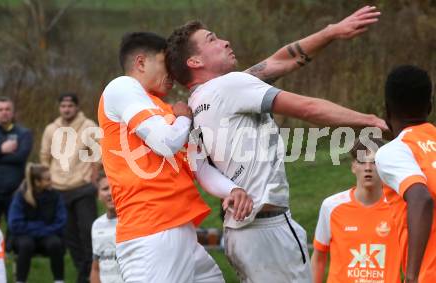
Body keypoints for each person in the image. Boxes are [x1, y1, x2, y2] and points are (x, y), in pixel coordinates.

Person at [165, 6, 388, 282]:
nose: (224, 41)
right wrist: (369, 120)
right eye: (212, 39)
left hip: (241, 234)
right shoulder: (231, 86)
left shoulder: (198, 103)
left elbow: (279, 61)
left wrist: (331, 32)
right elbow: (306, 108)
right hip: (268, 231)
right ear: (195, 62)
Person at [98, 32, 251, 283]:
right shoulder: (122, 87)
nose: (172, 71)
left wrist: (231, 189)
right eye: (164, 62)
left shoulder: (165, 111)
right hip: (151, 233)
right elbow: (165, 142)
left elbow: (198, 167)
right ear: (140, 63)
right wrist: (183, 118)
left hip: (180, 231)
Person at [375, 65, 435, 283]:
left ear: (387, 111)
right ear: (429, 106)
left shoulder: (394, 151)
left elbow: (422, 198)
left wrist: (411, 277)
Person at [311, 138, 401, 283]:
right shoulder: (331, 206)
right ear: (353, 166)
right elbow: (319, 257)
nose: (368, 168)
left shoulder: (399, 208)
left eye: (374, 162)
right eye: (361, 162)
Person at [40, 92, 99, 283]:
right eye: (63, 106)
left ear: (77, 107)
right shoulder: (51, 129)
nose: (66, 109)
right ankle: (83, 275)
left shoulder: (89, 126)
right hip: (58, 188)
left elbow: (99, 152)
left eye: (70, 106)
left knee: (88, 233)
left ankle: (93, 274)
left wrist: (93, 175)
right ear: (59, 108)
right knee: (70, 237)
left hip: (82, 187)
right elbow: (44, 156)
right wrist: (47, 180)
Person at [8, 163, 66, 283]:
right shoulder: (20, 196)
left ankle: (59, 280)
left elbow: (61, 221)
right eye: (47, 179)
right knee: (26, 244)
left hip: (48, 234)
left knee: (55, 243)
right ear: (37, 182)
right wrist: (41, 228)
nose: (51, 181)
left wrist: (42, 230)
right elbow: (14, 224)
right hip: (24, 235)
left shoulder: (55, 196)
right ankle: (20, 280)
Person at [0, 96, 33, 225]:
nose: (4, 112)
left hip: (15, 192)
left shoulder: (24, 133)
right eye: (0, 109)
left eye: (7, 109)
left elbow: (21, 157)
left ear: (13, 112)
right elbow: (13, 156)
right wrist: (1, 149)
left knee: (15, 229)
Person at [90, 171, 123, 283]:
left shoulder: (133, 221)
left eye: (113, 187)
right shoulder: (96, 225)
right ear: (98, 195)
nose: (110, 193)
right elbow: (95, 268)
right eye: (105, 189)